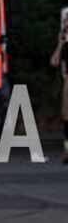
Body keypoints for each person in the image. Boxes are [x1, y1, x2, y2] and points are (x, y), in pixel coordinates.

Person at [50, 13, 68, 164]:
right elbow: (54, 62)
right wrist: (60, 44)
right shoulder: (65, 46)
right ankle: (67, 152)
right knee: (67, 118)